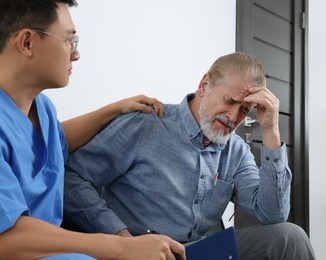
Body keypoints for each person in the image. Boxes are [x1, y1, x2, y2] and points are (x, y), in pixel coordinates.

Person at [64, 52, 316, 259]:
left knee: (289, 237)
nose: (233, 117)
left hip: (199, 253)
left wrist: (271, 130)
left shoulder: (236, 151)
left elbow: (273, 215)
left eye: (245, 110)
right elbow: (71, 176)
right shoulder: (146, 124)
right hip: (143, 252)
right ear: (204, 85)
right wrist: (120, 238)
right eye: (229, 101)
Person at [0, 0, 186, 259]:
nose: (75, 54)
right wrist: (122, 246)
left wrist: (115, 109)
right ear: (27, 43)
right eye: (69, 41)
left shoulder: (42, 108)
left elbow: (53, 143)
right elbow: (6, 238)